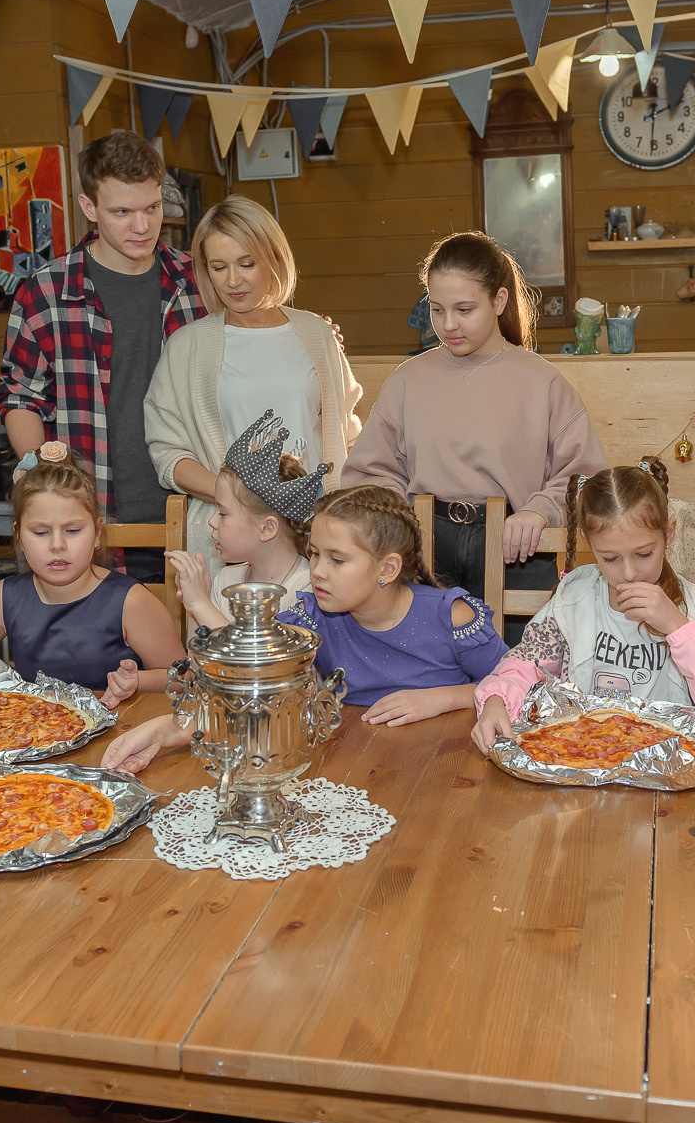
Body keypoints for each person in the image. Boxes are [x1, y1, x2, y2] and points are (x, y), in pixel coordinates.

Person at [100, 486, 508, 773]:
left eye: (337, 559)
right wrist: (167, 730)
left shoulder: (450, 617)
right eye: (314, 554)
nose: (318, 571)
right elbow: (260, 685)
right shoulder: (312, 618)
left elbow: (517, 683)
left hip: (447, 770)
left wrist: (444, 698)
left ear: (387, 568)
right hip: (355, 767)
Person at [341, 232, 607, 632]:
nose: (448, 325)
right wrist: (400, 517)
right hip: (422, 554)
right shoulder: (408, 380)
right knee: (425, 667)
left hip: (518, 553)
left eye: (464, 309)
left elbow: (587, 478)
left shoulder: (543, 381)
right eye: (436, 310)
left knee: (520, 668)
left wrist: (540, 510)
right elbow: (368, 473)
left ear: (498, 301)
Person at [0, 132, 204, 580]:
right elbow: (20, 399)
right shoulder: (46, 292)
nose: (142, 226)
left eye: (152, 207)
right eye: (122, 212)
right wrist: (47, 490)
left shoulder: (198, 281)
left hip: (198, 515)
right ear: (89, 207)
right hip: (89, 527)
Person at [470, 459, 695, 748]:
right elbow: (524, 665)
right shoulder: (574, 602)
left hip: (669, 766)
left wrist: (679, 628)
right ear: (590, 544)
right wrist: (497, 701)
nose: (628, 573)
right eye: (610, 558)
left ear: (668, 535)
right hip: (586, 758)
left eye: (643, 554)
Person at [145, 195, 361, 569]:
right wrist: (238, 499)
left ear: (274, 259)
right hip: (226, 542)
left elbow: (348, 434)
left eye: (247, 264)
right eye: (219, 267)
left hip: (316, 532)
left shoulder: (317, 334)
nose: (233, 280)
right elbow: (169, 454)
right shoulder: (187, 346)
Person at [0, 443, 183, 706]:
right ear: (19, 536)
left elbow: (185, 678)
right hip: (35, 735)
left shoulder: (131, 601)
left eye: (72, 530)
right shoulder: (6, 597)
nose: (57, 545)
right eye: (41, 532)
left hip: (120, 737)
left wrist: (138, 682)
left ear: (97, 533)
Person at [167, 410, 320, 632]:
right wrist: (193, 606)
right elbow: (197, 653)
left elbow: (257, 654)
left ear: (267, 528)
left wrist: (200, 604)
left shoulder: (307, 589)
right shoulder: (225, 579)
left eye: (223, 513)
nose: (211, 521)